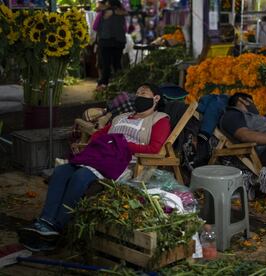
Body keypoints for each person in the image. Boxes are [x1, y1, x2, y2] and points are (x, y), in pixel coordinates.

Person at [19, 84, 171, 251]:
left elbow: (154, 148)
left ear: (156, 98)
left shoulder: (160, 119)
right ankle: (45, 221)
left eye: (143, 93)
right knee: (62, 171)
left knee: (81, 176)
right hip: (102, 156)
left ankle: (58, 228)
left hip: (126, 162)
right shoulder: (122, 117)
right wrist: (93, 145)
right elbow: (100, 135)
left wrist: (121, 145)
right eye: (136, 92)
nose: (138, 96)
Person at [96, 0, 127, 90]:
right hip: (118, 41)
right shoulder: (122, 12)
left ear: (108, 3)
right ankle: (120, 84)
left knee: (106, 64)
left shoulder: (104, 11)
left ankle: (103, 84)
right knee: (117, 64)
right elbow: (125, 28)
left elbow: (96, 26)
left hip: (106, 41)